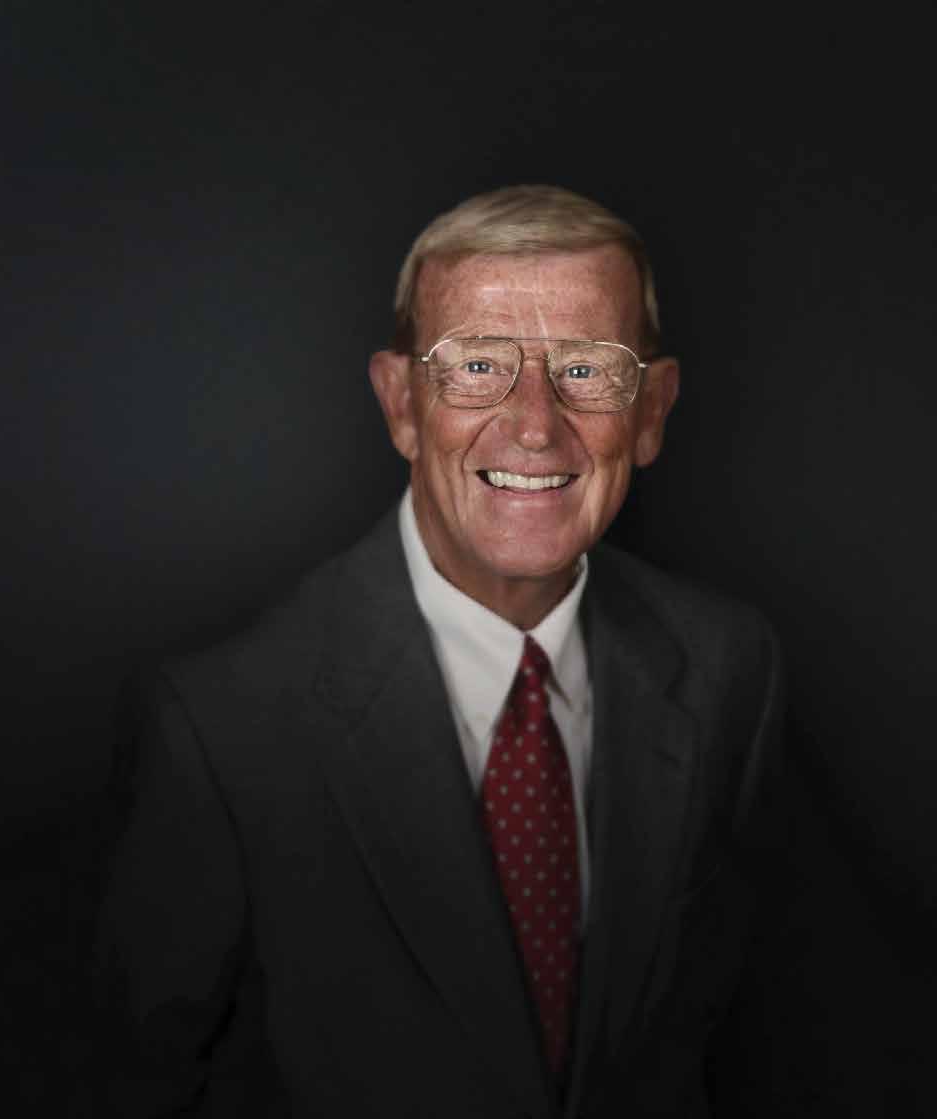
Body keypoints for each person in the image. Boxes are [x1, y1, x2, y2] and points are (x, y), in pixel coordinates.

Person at [93, 185, 784, 1118]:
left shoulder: (730, 670)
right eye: (478, 365)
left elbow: (727, 1038)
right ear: (402, 405)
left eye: (586, 367)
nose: (534, 424)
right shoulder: (223, 726)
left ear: (652, 410)